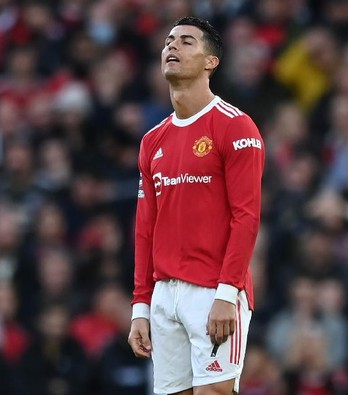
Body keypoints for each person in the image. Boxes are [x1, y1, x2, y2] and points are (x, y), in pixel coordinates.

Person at [128, 16, 265, 395]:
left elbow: (247, 217)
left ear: (211, 62)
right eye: (169, 41)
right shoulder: (152, 141)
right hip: (164, 296)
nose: (172, 47)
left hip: (213, 291)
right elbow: (145, 229)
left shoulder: (235, 127)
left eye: (186, 41)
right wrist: (141, 305)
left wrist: (226, 293)